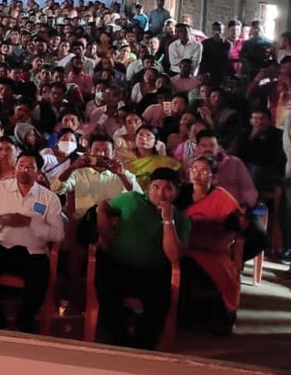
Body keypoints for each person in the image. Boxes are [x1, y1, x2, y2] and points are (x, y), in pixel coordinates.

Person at [91, 168, 190, 349]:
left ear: (176, 191)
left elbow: (173, 255)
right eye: (156, 187)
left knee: (160, 302)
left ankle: (142, 346)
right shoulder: (132, 199)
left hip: (153, 272)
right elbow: (104, 205)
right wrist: (103, 222)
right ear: (148, 188)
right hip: (118, 265)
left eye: (168, 188)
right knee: (106, 289)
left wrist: (167, 220)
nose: (160, 193)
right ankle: (120, 340)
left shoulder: (181, 219)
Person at [0, 151, 65, 333]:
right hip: (3, 246)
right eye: (21, 165)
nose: (24, 170)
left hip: (34, 252)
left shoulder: (49, 198)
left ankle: (25, 321)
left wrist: (32, 223)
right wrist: (2, 219)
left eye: (30, 167)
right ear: (15, 167)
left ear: (38, 172)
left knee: (38, 280)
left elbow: (58, 234)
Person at [177, 155, 246, 334]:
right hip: (184, 247)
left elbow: (237, 228)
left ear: (214, 177)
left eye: (203, 171)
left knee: (220, 277)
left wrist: (220, 242)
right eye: (194, 169)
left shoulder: (221, 197)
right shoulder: (180, 193)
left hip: (212, 250)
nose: (197, 174)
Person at [54, 135, 140, 221]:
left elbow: (138, 197)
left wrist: (122, 176)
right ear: (89, 152)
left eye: (106, 151)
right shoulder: (78, 172)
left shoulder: (122, 173)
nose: (101, 154)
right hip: (84, 224)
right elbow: (56, 188)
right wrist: (72, 168)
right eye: (96, 150)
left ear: (113, 153)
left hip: (114, 223)